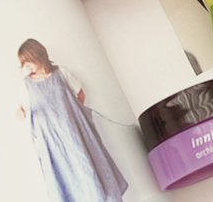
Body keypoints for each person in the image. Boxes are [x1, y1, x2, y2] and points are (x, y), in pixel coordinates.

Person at [15, 39, 128, 202]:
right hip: (54, 143)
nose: (27, 66)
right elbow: (22, 109)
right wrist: (19, 113)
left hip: (77, 134)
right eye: (23, 63)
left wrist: (74, 116)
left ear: (38, 55)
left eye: (28, 61)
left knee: (91, 166)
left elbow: (79, 94)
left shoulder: (61, 72)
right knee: (68, 177)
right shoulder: (26, 85)